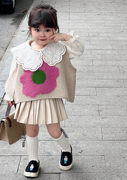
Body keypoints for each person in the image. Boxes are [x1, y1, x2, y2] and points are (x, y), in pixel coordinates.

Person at [4, 4, 84, 178]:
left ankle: (66, 149)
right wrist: (10, 95)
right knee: (31, 131)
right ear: (29, 29)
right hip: (27, 98)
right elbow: (13, 75)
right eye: (37, 29)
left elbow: (79, 49)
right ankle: (33, 161)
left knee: (54, 131)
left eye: (48, 29)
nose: (42, 34)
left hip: (50, 98)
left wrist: (65, 37)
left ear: (54, 29)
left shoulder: (60, 48)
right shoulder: (21, 51)